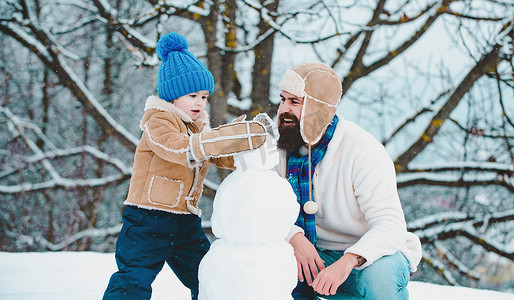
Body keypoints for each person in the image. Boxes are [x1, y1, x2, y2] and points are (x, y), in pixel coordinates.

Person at [103, 32, 266, 300]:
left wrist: (241, 153)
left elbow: (213, 154)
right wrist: (212, 140)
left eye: (204, 97)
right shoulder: (158, 121)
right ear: (173, 96)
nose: (200, 103)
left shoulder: (196, 128)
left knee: (208, 276)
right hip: (148, 219)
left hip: (185, 222)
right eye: (193, 95)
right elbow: (177, 147)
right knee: (133, 279)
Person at [274, 62, 422, 300]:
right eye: (282, 99)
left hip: (368, 255)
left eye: (294, 102)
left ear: (318, 107)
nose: (283, 109)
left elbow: (390, 225)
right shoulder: (278, 145)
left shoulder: (362, 149)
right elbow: (260, 209)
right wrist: (295, 238)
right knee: (258, 262)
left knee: (379, 278)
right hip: (310, 252)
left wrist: (347, 261)